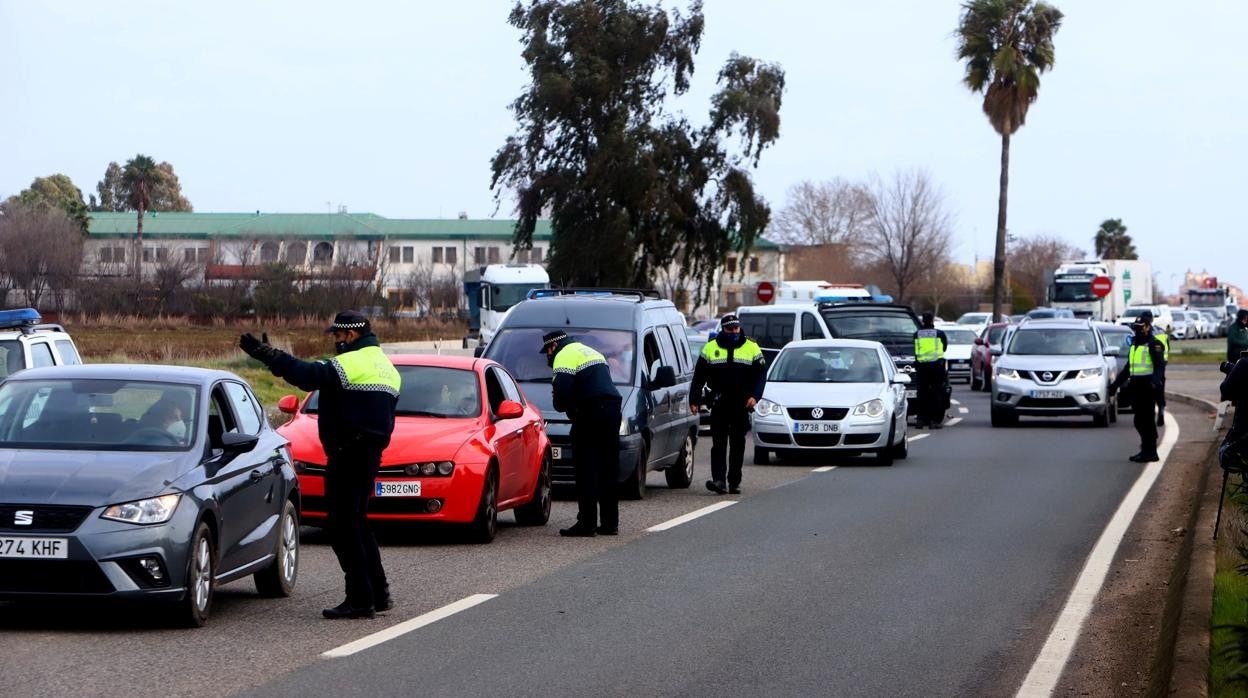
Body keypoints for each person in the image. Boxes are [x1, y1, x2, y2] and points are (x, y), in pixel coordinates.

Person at [239, 310, 400, 619]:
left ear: (350, 335)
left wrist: (269, 356)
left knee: (342, 526)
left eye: (338, 336)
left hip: (348, 453)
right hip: (369, 453)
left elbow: (307, 376)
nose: (336, 342)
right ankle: (378, 593)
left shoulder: (352, 363)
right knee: (358, 522)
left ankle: (360, 598)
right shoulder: (387, 367)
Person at [542, 330, 623, 537]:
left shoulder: (564, 354)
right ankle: (609, 523)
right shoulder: (591, 352)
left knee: (586, 469)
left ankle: (587, 524)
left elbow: (561, 390)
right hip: (612, 410)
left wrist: (564, 406)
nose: (548, 357)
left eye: (548, 352)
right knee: (607, 467)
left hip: (591, 413)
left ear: (553, 346)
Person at [690, 313, 766, 495]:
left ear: (739, 328)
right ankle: (719, 481)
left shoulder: (751, 347)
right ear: (722, 330)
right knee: (718, 444)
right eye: (729, 329)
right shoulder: (710, 348)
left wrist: (755, 396)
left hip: (742, 404)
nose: (733, 332)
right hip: (719, 403)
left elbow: (761, 375)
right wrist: (694, 400)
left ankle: (734, 482)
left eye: (736, 328)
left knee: (737, 444)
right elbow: (698, 377)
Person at [1109, 319, 1168, 462]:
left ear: (1148, 327)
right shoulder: (1135, 345)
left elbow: (1160, 367)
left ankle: (1151, 451)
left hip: (1148, 387)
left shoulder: (1154, 344)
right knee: (1139, 421)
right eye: (1136, 327)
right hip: (1136, 387)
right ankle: (1145, 450)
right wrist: (1115, 385)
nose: (1138, 330)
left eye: (1141, 327)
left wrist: (1154, 382)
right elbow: (1128, 369)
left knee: (1147, 421)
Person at [912, 311, 949, 429]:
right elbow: (944, 348)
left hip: (922, 368)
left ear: (922, 320)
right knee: (936, 393)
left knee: (922, 394)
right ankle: (935, 421)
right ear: (933, 320)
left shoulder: (917, 334)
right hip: (937, 367)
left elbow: (915, 349)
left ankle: (921, 420)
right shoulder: (939, 334)